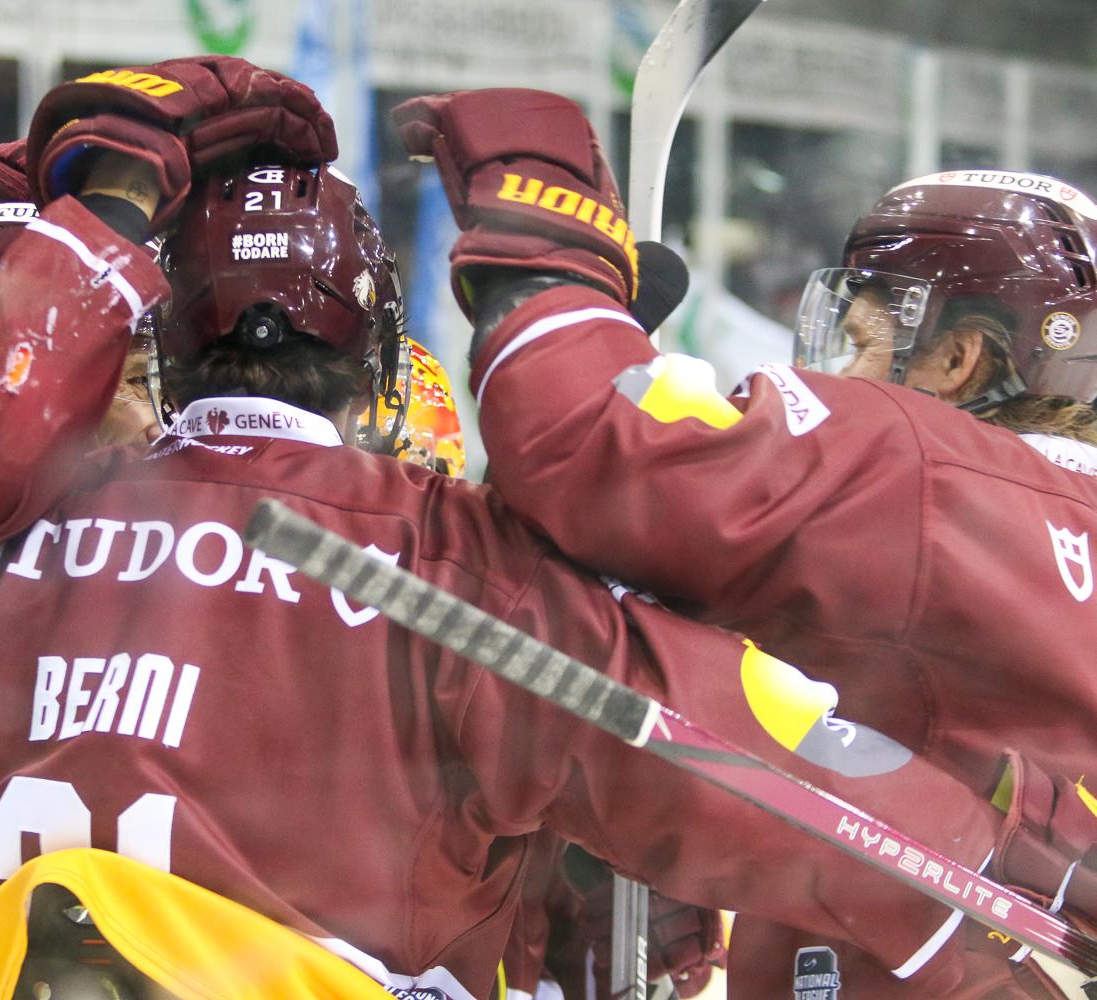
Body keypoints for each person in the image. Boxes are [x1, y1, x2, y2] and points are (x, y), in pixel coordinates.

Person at [0, 151, 1039, 1000]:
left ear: (163, 347)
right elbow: (757, 767)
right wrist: (997, 885)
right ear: (376, 361)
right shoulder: (457, 569)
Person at [390, 86, 1097, 996]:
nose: (845, 369)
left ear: (958, 359)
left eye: (864, 338)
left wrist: (547, 235)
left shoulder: (928, 473)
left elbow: (597, 446)